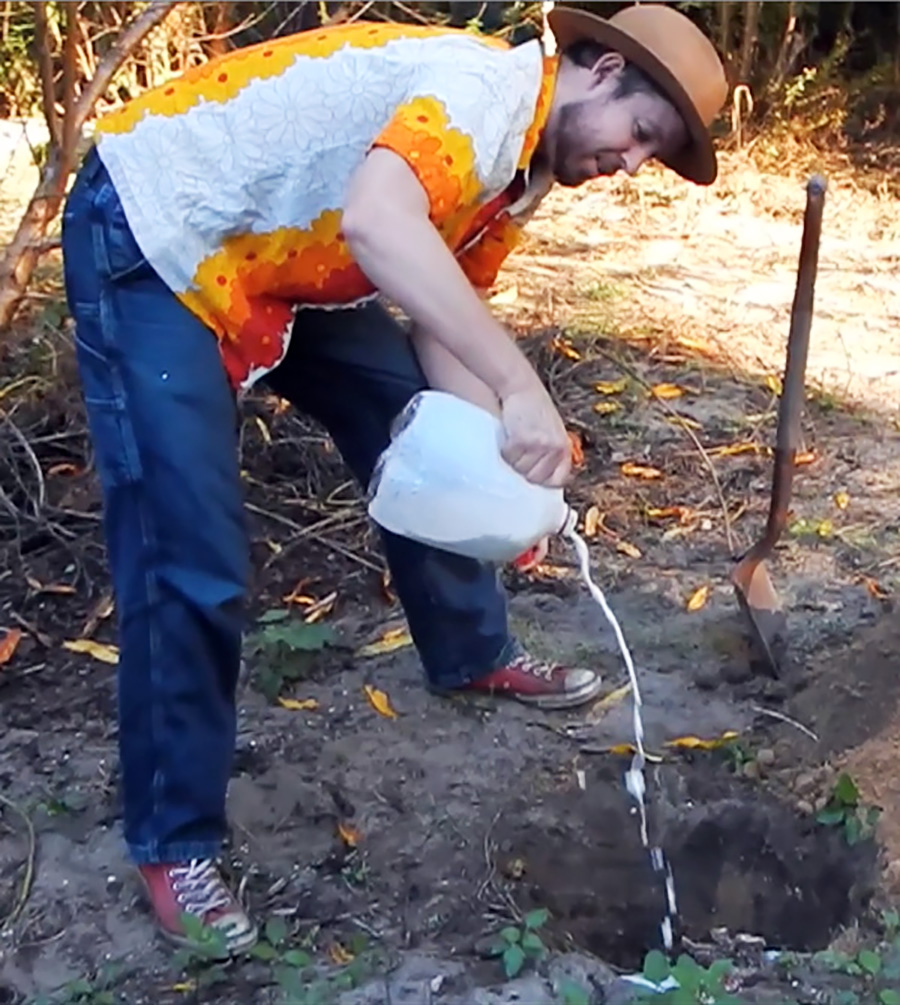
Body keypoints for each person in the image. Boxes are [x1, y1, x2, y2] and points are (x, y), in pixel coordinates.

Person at [62, 2, 727, 953]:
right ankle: (175, 842)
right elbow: (380, 222)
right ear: (602, 70)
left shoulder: (520, 174)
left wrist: (494, 484)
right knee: (189, 550)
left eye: (647, 158)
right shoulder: (478, 96)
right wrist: (521, 383)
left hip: (285, 251)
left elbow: (444, 330)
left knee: (401, 413)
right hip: (163, 227)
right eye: (640, 135)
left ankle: (471, 650)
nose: (627, 166)